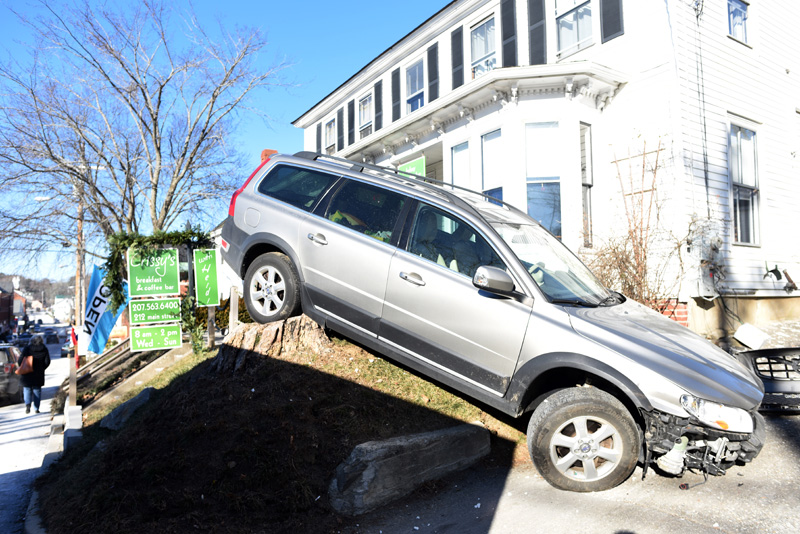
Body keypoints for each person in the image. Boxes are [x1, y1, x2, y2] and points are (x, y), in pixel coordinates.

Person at [18, 335, 51, 414]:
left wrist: (23, 367)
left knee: (27, 389)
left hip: (27, 372)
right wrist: (42, 368)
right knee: (37, 390)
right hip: (38, 373)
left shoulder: (27, 349)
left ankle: (27, 405)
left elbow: (20, 360)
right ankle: (36, 408)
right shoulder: (44, 349)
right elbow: (47, 362)